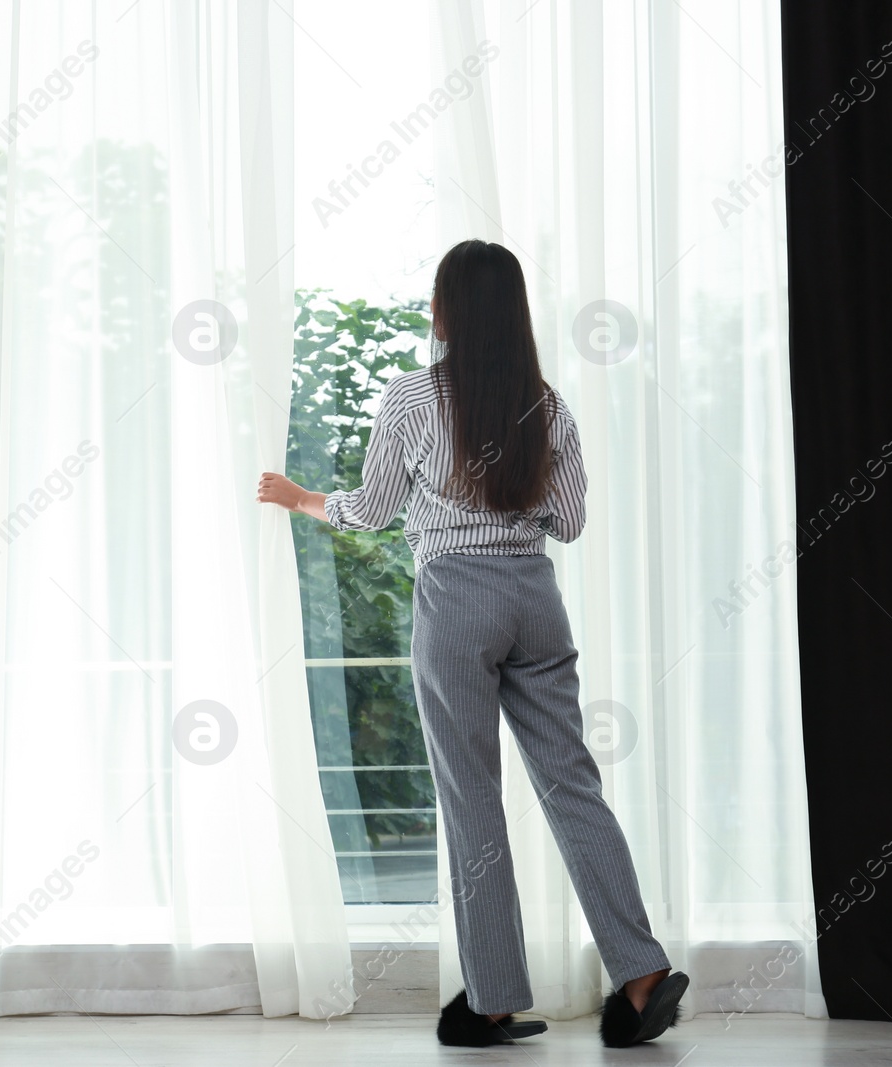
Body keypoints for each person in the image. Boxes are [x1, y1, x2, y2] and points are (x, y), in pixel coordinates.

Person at [256, 239, 687, 1048]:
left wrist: (302, 497)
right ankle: (641, 970)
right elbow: (570, 520)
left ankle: (491, 999)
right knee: (573, 786)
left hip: (455, 597)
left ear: (444, 311)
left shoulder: (412, 398)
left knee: (471, 797)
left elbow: (375, 506)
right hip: (534, 595)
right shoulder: (547, 404)